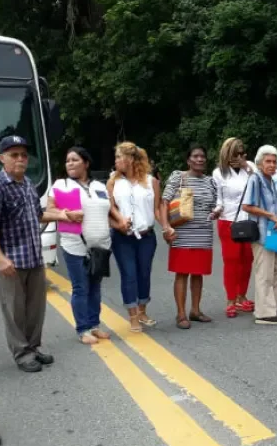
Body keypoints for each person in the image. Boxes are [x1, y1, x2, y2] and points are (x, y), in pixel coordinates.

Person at [0, 135, 69, 372]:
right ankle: (21, 353)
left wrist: (62, 215)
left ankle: (33, 347)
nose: (20, 159)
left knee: (35, 309)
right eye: (14, 155)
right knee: (14, 310)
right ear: (2, 158)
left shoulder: (27, 183)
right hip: (10, 261)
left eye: (23, 155)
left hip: (33, 258)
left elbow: (38, 214)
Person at [47, 147, 122, 344]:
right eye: (67, 160)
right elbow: (49, 211)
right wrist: (66, 214)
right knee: (81, 287)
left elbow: (107, 213)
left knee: (95, 287)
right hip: (74, 245)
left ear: (86, 163)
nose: (70, 163)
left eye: (74, 160)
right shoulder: (60, 185)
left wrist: (121, 224)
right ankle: (83, 329)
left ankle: (94, 325)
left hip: (100, 244)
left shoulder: (99, 186)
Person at [160, 144, 220, 330]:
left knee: (198, 273)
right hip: (182, 233)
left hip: (203, 233)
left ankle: (195, 310)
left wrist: (216, 211)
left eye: (202, 156)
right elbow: (164, 202)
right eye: (195, 156)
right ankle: (181, 313)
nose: (200, 159)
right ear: (188, 160)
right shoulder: (178, 177)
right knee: (182, 272)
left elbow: (216, 204)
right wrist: (165, 227)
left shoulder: (210, 181)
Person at [107, 142, 160, 332]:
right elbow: (110, 206)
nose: (116, 161)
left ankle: (143, 310)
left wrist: (168, 227)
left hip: (146, 236)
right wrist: (120, 220)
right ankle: (133, 316)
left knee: (144, 273)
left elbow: (157, 208)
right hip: (123, 237)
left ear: (129, 159)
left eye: (118, 157)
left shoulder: (150, 181)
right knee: (129, 275)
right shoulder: (113, 181)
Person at [242, 145, 277, 325]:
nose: (271, 164)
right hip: (261, 232)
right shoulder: (255, 179)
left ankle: (272, 305)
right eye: (268, 161)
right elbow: (247, 205)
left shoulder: (271, 181)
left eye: (274, 161)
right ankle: (263, 312)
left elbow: (274, 206)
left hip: (274, 231)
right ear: (260, 163)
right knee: (265, 272)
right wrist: (269, 215)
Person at [213, 137, 257, 318]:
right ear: (227, 154)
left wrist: (247, 166)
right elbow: (218, 199)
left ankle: (242, 296)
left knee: (247, 260)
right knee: (231, 261)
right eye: (235, 154)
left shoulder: (250, 169)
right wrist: (216, 210)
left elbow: (261, 181)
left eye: (242, 153)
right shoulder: (219, 173)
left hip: (248, 220)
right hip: (228, 220)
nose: (239, 156)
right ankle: (231, 300)